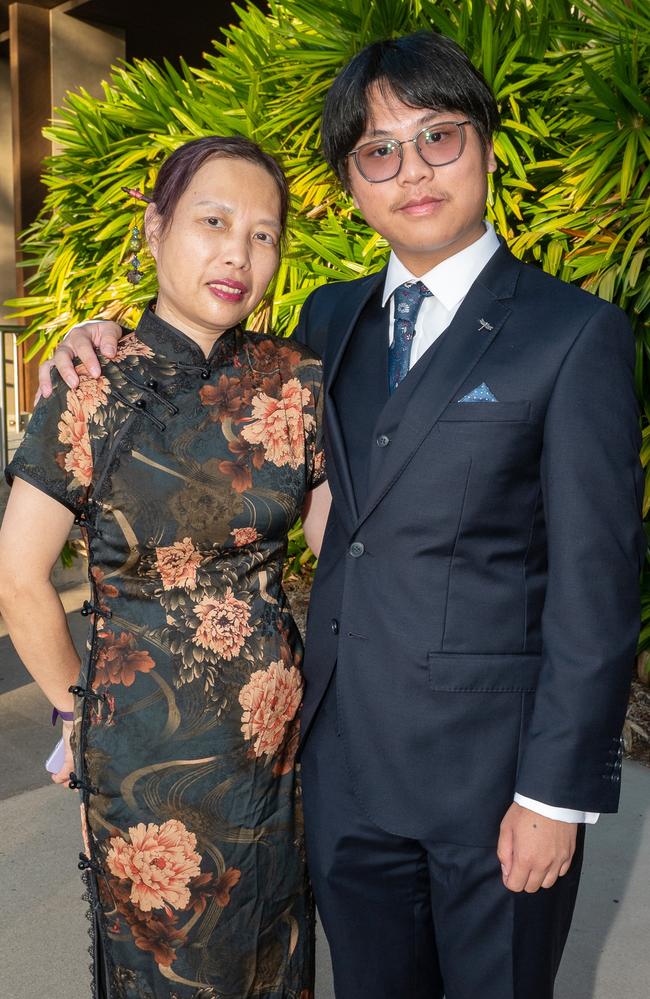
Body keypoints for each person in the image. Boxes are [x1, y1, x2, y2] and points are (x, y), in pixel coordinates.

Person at [38, 31, 644, 999]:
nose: (410, 171)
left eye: (437, 137)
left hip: (490, 787)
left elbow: (596, 586)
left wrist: (553, 796)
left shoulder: (572, 335)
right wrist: (94, 340)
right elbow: (203, 392)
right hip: (338, 778)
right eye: (377, 151)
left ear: (484, 143)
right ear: (350, 183)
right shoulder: (326, 321)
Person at [0, 135, 331, 999]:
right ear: (155, 229)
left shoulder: (295, 382)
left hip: (274, 753)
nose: (238, 252)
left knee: (273, 959)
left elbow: (346, 552)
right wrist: (82, 716)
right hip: (141, 758)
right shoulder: (94, 382)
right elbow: (18, 577)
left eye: (264, 234)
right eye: (213, 221)